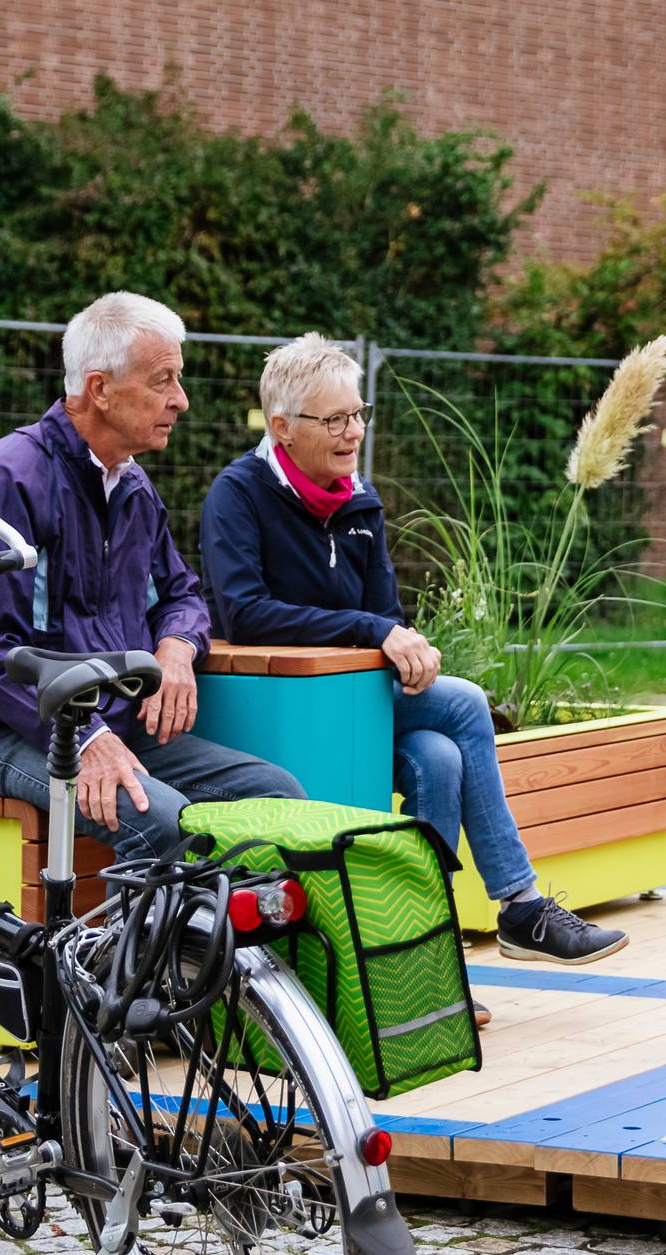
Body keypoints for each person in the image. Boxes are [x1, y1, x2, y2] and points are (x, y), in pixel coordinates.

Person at [197, 334, 629, 966]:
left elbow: (387, 617)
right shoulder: (237, 494)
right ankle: (520, 906)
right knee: (465, 704)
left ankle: (428, 961)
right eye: (335, 420)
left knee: (438, 757)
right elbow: (245, 613)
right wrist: (370, 632)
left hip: (357, 698)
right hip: (282, 704)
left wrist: (393, 641)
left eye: (358, 415)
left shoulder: (359, 500)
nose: (353, 432)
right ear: (282, 426)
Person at [0, 292, 304, 860]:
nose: (181, 399)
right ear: (100, 389)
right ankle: (133, 927)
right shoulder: (6, 478)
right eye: (162, 380)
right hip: (0, 734)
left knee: (278, 795)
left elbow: (181, 594)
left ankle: (231, 923)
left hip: (115, 724)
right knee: (159, 821)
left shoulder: (133, 487)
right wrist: (87, 740)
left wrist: (177, 647)